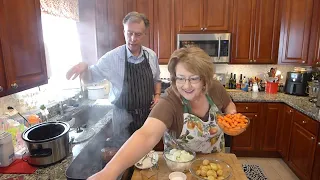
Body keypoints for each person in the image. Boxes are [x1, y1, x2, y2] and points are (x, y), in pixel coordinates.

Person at [88, 47, 237, 180]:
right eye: (180, 78)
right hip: (180, 171)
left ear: (205, 79)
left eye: (193, 79)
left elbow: (228, 104)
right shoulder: (169, 101)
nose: (186, 86)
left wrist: (232, 116)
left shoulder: (215, 88)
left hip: (216, 167)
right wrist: (109, 172)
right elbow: (146, 135)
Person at [66, 12, 161, 136]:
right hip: (123, 121)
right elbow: (88, 80)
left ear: (144, 34)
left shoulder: (151, 56)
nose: (133, 38)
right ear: (124, 32)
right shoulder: (112, 58)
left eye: (138, 34)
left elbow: (156, 80)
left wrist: (158, 95)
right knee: (125, 154)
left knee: (149, 154)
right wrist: (84, 69)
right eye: (129, 33)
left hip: (147, 118)